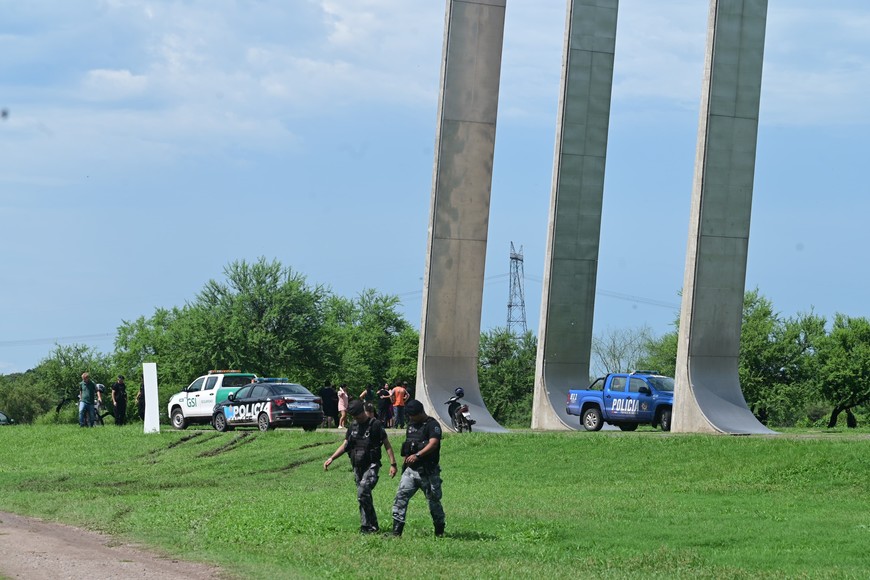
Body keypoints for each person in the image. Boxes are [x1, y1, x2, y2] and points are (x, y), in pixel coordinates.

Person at [323, 400, 398, 534]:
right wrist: (332, 458)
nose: (356, 418)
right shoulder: (353, 426)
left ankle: (371, 525)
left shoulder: (375, 425)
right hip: (357, 465)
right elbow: (345, 445)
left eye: (357, 415)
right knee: (363, 496)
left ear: (362, 411)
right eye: (354, 417)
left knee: (363, 492)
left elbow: (387, 445)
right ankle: (367, 526)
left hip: (372, 465)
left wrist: (393, 464)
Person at [391, 399, 445, 537]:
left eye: (412, 415)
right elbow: (409, 445)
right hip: (411, 471)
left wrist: (418, 455)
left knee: (433, 501)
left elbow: (433, 444)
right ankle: (396, 532)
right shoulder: (411, 425)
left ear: (420, 412)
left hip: (428, 472)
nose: (410, 418)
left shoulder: (432, 425)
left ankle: (439, 531)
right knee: (400, 497)